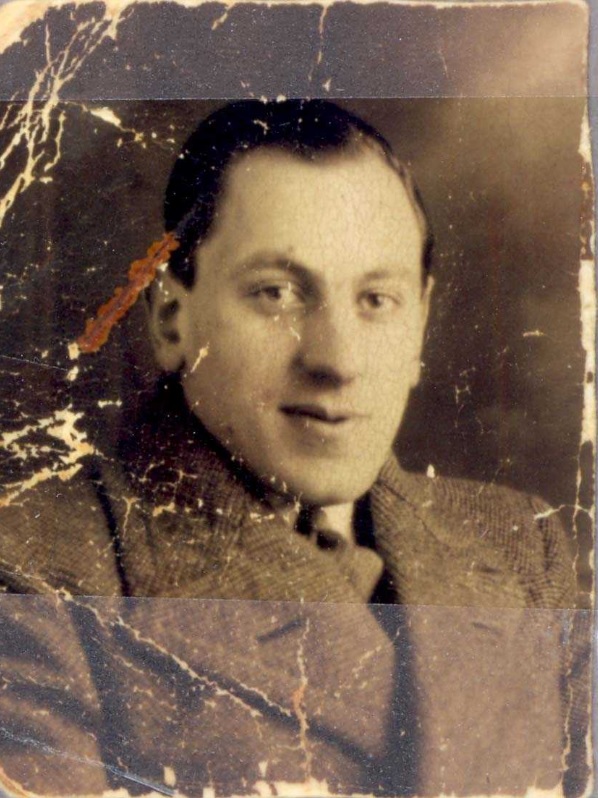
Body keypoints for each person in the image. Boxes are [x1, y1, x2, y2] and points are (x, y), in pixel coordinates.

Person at [0, 100, 581, 797]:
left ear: (421, 324)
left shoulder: (524, 548)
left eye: (376, 300)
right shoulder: (39, 574)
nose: (337, 360)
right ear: (171, 319)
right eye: (276, 293)